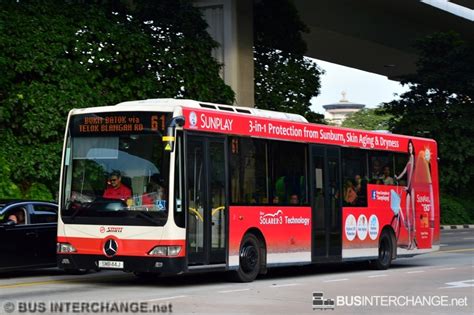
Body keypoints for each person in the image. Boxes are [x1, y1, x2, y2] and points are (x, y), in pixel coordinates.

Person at [395, 140, 416, 249]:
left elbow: (411, 172)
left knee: (412, 214)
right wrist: (397, 178)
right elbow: (404, 171)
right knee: (407, 214)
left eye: (411, 146)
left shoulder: (413, 158)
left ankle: (412, 241)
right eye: (408, 147)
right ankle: (409, 242)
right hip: (408, 187)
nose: (409, 148)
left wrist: (408, 186)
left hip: (412, 186)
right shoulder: (409, 159)